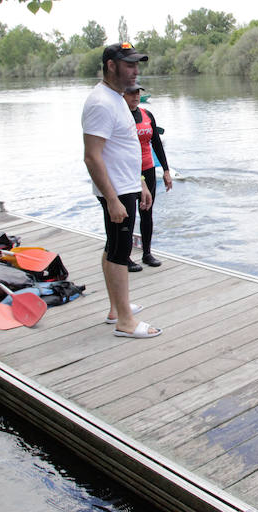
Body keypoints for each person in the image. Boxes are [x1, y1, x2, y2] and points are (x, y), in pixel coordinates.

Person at [82, 42, 161, 339]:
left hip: (127, 186)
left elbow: (124, 147)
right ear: (111, 65)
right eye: (129, 65)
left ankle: (118, 308)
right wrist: (113, 199)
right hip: (115, 191)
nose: (135, 71)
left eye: (137, 65)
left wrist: (140, 183)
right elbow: (92, 156)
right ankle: (125, 322)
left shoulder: (116, 98)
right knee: (120, 251)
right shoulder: (100, 102)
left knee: (112, 246)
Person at [124, 81, 172, 271]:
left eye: (138, 93)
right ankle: (125, 256)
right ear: (123, 95)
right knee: (127, 215)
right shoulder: (121, 117)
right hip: (127, 172)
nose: (135, 96)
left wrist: (166, 170)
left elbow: (157, 144)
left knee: (147, 212)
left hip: (148, 169)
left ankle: (147, 253)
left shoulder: (147, 115)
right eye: (131, 93)